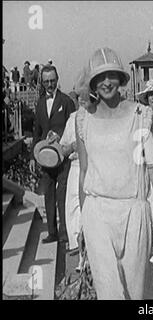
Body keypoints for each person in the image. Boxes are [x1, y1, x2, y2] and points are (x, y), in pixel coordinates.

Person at [75, 47, 153, 299]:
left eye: (111, 75)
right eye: (100, 77)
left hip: (134, 211)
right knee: (109, 290)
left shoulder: (141, 115)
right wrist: (81, 223)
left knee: (136, 290)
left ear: (121, 79)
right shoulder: (83, 119)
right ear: (92, 83)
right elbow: (83, 170)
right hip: (97, 211)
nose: (106, 82)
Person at [30, 65, 76, 243]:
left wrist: (60, 135)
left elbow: (73, 126)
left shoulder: (66, 101)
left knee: (62, 194)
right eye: (46, 81)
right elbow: (37, 130)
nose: (50, 84)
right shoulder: (40, 102)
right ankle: (52, 232)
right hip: (45, 157)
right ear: (42, 82)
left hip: (62, 157)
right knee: (48, 193)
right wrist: (33, 157)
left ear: (57, 80)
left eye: (52, 81)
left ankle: (65, 233)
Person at [59, 67, 90, 256]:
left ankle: (87, 245)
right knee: (72, 204)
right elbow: (63, 148)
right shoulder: (72, 119)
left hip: (92, 167)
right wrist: (72, 146)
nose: (81, 100)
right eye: (79, 96)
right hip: (75, 166)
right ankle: (75, 243)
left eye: (85, 96)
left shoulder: (96, 118)